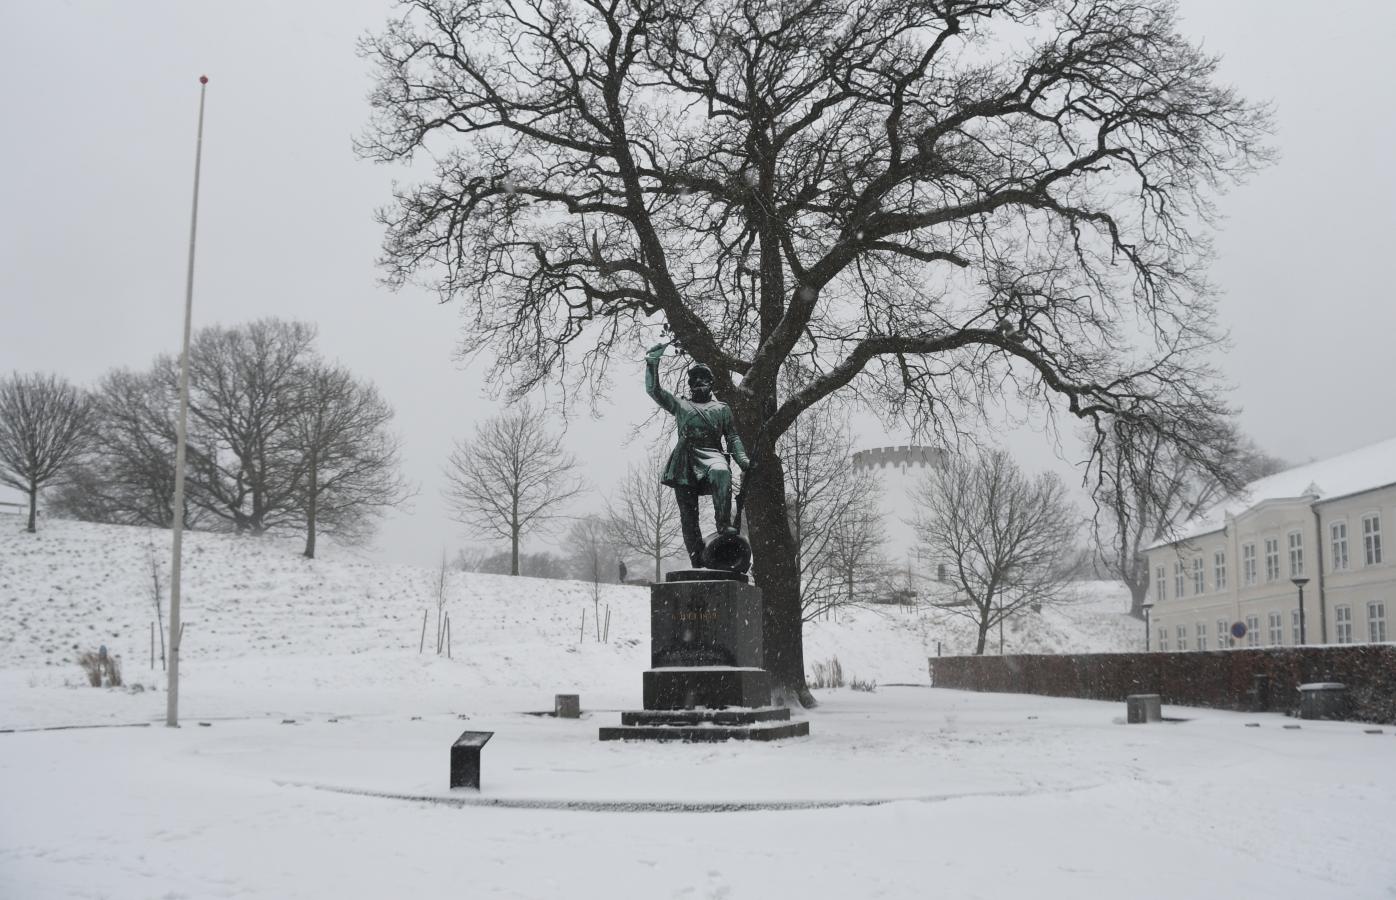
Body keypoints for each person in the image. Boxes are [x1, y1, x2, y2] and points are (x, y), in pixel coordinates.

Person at [645, 342, 750, 567]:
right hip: (685, 459)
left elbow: (732, 438)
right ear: (690, 383)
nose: (698, 381)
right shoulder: (680, 405)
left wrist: (742, 460)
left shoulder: (722, 409)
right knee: (688, 515)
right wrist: (652, 363)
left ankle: (723, 525)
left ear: (711, 383)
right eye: (694, 378)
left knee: (722, 472)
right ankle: (696, 557)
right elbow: (654, 391)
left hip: (712, 453)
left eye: (703, 378)